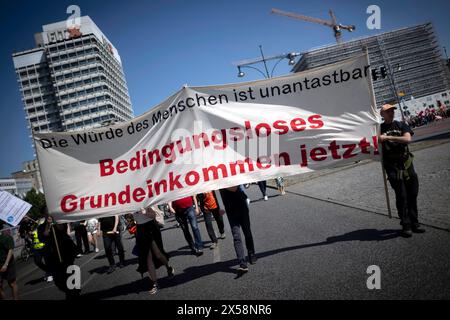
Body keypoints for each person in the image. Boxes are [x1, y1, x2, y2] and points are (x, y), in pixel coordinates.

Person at [379, 104, 426, 238]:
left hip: (406, 163)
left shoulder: (401, 125)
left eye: (392, 111)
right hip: (392, 166)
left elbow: (407, 139)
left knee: (413, 193)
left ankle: (414, 223)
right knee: (402, 196)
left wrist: (387, 138)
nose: (391, 113)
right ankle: (406, 225)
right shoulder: (379, 129)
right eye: (388, 112)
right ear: (382, 114)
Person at [37, 213, 79, 299]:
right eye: (46, 212)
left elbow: (62, 229)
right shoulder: (41, 227)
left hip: (66, 251)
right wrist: (48, 224)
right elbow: (44, 236)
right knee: (58, 280)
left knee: (69, 272)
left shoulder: (60, 221)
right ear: (44, 215)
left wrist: (55, 222)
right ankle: (70, 290)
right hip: (52, 255)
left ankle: (73, 291)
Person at [133, 206, 175, 295]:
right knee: (148, 257)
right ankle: (155, 283)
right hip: (140, 229)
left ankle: (168, 268)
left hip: (150, 227)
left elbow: (153, 215)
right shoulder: (129, 205)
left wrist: (145, 212)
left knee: (158, 254)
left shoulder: (144, 201)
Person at [219, 186, 257, 273]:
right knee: (236, 236)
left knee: (247, 233)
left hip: (241, 207)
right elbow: (217, 194)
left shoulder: (231, 178)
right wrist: (219, 207)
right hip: (230, 211)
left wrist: (222, 184)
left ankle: (251, 253)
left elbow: (234, 188)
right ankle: (242, 263)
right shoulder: (218, 181)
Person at [0, 222, 19, 300]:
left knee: (12, 284)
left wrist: (6, 264)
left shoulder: (6, 237)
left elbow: (10, 250)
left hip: (8, 264)